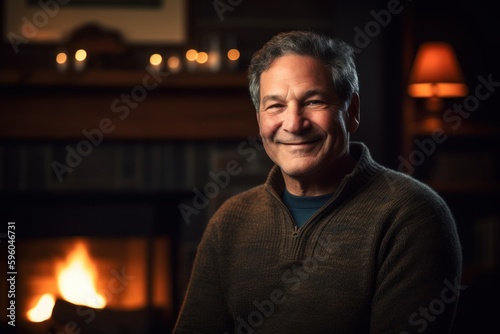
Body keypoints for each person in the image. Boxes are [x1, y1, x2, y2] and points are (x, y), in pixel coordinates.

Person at [173, 30, 463, 333]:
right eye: (275, 106)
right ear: (259, 119)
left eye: (314, 101)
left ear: (352, 112)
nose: (294, 124)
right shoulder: (230, 220)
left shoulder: (413, 215)